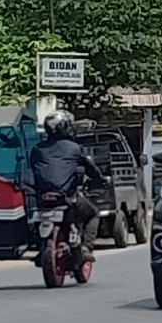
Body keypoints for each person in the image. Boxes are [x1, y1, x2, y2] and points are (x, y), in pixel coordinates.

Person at [30, 110, 105, 261]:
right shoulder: (74, 148)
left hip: (43, 198)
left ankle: (41, 246)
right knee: (93, 213)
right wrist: (101, 180)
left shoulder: (37, 149)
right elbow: (91, 168)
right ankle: (86, 247)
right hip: (67, 197)